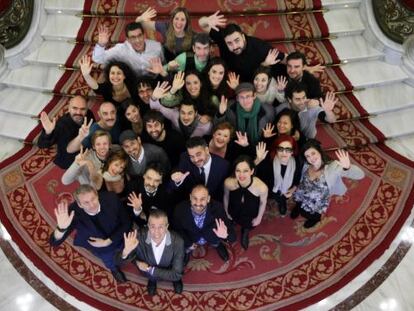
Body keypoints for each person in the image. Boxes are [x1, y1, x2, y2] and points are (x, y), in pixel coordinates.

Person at [49, 184, 131, 283]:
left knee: (132, 251)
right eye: (86, 203)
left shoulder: (111, 198)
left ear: (97, 195)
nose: (92, 205)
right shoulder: (72, 213)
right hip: (98, 246)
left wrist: (108, 241)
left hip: (119, 234)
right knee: (109, 260)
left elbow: (126, 222)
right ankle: (114, 269)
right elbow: (54, 242)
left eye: (93, 199)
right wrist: (61, 229)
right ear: (79, 205)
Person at [292, 139, 365, 228]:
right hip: (303, 193)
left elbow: (360, 175)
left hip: (318, 200)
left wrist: (348, 168)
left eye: (313, 153)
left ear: (319, 151)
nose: (311, 158)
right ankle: (298, 208)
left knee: (312, 215)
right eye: (307, 156)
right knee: (298, 203)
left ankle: (314, 219)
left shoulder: (333, 167)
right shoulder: (306, 165)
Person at [116, 209, 184, 295]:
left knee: (175, 277)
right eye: (152, 226)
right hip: (148, 274)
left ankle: (175, 282)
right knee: (152, 277)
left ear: (167, 227)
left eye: (161, 227)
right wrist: (126, 252)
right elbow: (117, 261)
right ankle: (152, 280)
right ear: (148, 226)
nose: (156, 232)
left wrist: (150, 269)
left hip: (169, 270)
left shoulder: (178, 242)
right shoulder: (138, 237)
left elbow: (176, 274)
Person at [199, 14, 285, 82]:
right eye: (229, 43)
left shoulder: (259, 47)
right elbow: (202, 24)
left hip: (252, 81)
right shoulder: (223, 37)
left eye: (237, 40)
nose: (235, 46)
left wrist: (265, 65)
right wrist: (207, 20)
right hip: (228, 76)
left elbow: (285, 58)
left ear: (243, 37)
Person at [173, 184, 236, 264]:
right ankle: (187, 250)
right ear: (190, 197)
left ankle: (217, 245)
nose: (198, 203)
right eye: (195, 198)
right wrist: (188, 243)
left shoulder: (217, 208)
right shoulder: (179, 209)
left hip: (212, 237)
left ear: (208, 199)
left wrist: (225, 235)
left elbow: (233, 237)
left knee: (216, 242)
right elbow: (177, 230)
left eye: (202, 199)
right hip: (191, 238)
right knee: (186, 246)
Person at [37, 95, 94, 169]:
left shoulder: (89, 114)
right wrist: (48, 132)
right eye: (75, 108)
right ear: (69, 109)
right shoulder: (62, 125)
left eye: (82, 109)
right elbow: (42, 144)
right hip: (69, 161)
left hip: (87, 151)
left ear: (86, 109)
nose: (78, 112)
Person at [223, 155, 268, 250]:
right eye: (238, 170)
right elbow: (226, 196)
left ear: (252, 171)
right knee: (232, 219)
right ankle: (233, 223)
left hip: (250, 213)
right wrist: (226, 212)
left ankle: (245, 231)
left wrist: (259, 218)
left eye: (245, 171)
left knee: (248, 224)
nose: (241, 175)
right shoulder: (228, 182)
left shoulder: (261, 187)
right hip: (234, 209)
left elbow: (263, 203)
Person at [92, 22, 164, 78]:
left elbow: (165, 63)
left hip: (154, 80)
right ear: (128, 39)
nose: (137, 40)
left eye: (139, 36)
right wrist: (101, 45)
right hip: (132, 82)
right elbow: (98, 59)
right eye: (133, 37)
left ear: (144, 35)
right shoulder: (121, 49)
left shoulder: (157, 47)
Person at [171, 136, 230, 202]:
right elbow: (174, 189)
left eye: (198, 154)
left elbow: (223, 193)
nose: (196, 160)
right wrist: (177, 182)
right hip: (190, 203)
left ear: (207, 150)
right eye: (191, 156)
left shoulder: (224, 166)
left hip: (213, 204)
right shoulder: (185, 159)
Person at [267, 135, 302, 216]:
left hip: (288, 189)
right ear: (276, 150)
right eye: (280, 149)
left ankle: (283, 202)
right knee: (276, 197)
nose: (284, 153)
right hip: (273, 190)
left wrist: (294, 188)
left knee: (284, 197)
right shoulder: (269, 161)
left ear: (292, 151)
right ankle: (280, 201)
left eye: (288, 149)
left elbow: (298, 177)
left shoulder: (296, 162)